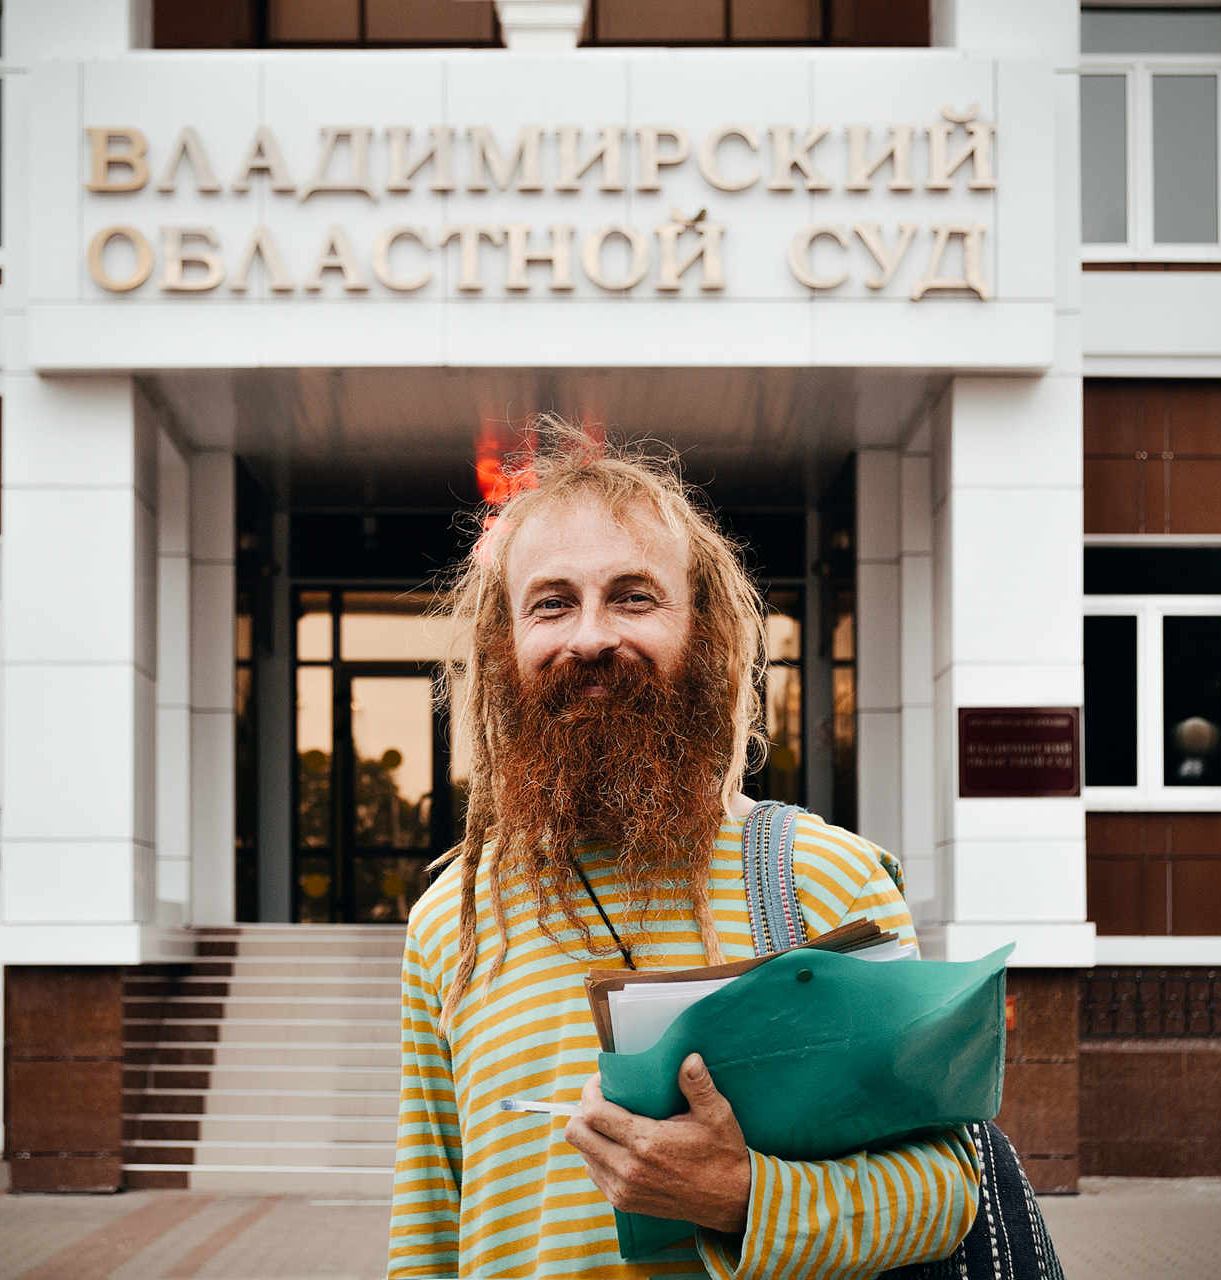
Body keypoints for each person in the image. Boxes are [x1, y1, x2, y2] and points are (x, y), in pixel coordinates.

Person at [388, 427, 980, 1280]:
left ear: (704, 631)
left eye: (634, 597)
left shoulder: (824, 879)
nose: (590, 637)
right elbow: (427, 1230)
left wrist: (742, 1196)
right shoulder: (453, 919)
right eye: (551, 604)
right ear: (502, 647)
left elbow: (946, 1190)